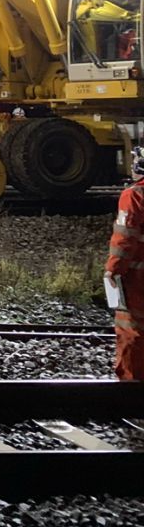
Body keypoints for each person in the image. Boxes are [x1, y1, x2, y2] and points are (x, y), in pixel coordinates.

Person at [106, 147, 144, 381]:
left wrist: (113, 269)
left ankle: (132, 391)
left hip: (138, 278)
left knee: (132, 329)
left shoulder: (135, 195)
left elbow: (124, 238)